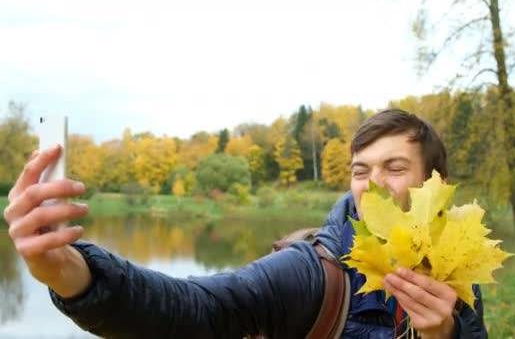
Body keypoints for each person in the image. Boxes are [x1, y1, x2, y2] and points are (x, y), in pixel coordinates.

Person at [3, 109, 488, 338]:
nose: (372, 184)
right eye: (361, 171)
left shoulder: (455, 270)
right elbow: (193, 309)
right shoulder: (312, 275)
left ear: (434, 183)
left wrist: (444, 335)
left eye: (395, 168)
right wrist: (71, 275)